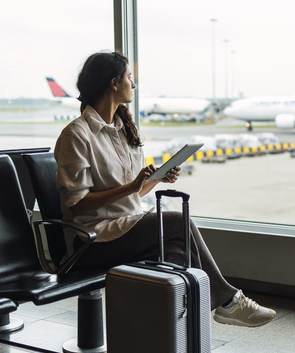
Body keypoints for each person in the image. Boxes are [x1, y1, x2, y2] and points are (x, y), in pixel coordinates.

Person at [54, 50, 276, 327]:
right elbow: (77, 204)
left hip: (124, 229)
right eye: (129, 78)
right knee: (177, 221)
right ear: (113, 83)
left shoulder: (123, 130)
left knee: (176, 252)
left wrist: (155, 179)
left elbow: (132, 194)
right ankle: (226, 301)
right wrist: (131, 187)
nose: (133, 85)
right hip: (92, 240)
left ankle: (170, 334)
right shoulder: (76, 135)